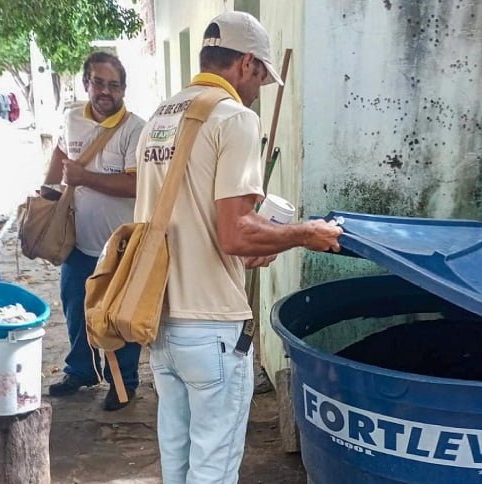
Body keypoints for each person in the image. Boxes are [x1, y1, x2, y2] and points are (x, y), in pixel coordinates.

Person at [134, 11, 343, 483]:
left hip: (159, 322)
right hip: (211, 328)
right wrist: (304, 233)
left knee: (179, 460)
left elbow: (201, 223)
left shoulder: (160, 118)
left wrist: (258, 237)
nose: (258, 89)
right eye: (261, 78)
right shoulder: (234, 118)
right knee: (213, 467)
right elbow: (233, 234)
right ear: (246, 62)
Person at [46, 52, 145, 411]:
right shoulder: (71, 119)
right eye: (99, 83)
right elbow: (60, 152)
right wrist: (46, 194)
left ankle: (124, 382)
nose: (106, 91)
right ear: (87, 83)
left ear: (123, 89)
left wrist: (85, 177)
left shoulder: (136, 129)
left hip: (120, 245)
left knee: (119, 315)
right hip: (78, 239)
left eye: (113, 85)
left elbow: (136, 185)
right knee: (75, 306)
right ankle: (81, 370)